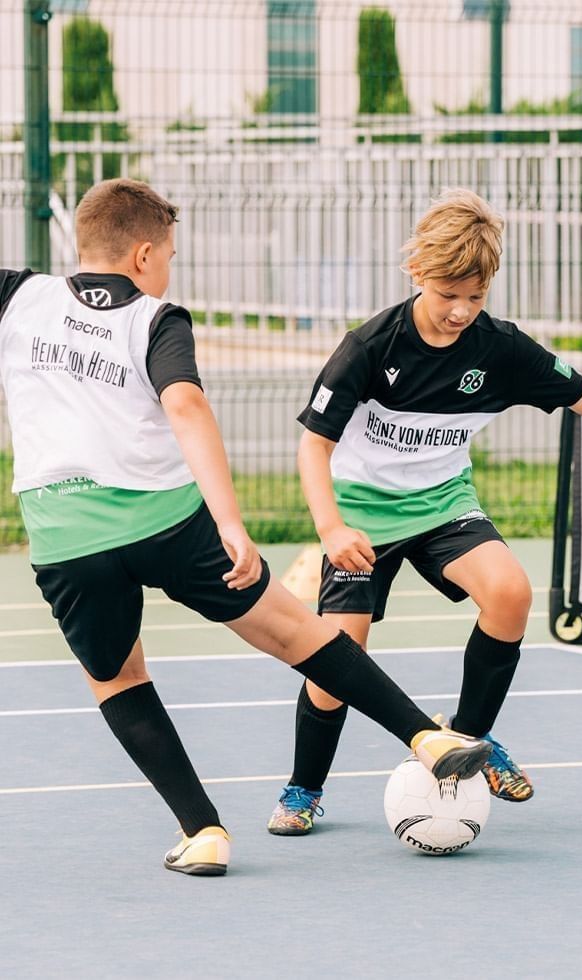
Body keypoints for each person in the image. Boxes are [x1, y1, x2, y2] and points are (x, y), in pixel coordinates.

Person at [0, 177, 496, 876]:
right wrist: (229, 522)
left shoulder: (18, 296)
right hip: (167, 522)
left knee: (118, 678)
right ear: (143, 254)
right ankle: (426, 736)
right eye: (169, 255)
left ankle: (202, 831)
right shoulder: (156, 318)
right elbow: (186, 406)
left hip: (66, 535)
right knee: (296, 632)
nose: (169, 268)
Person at [266, 188, 582, 835]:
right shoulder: (370, 346)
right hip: (362, 512)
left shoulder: (500, 349)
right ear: (416, 272)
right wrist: (331, 528)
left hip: (443, 504)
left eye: (475, 297)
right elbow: (314, 445)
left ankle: (471, 738)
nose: (461, 310)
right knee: (336, 662)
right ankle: (303, 788)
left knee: (510, 592)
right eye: (448, 293)